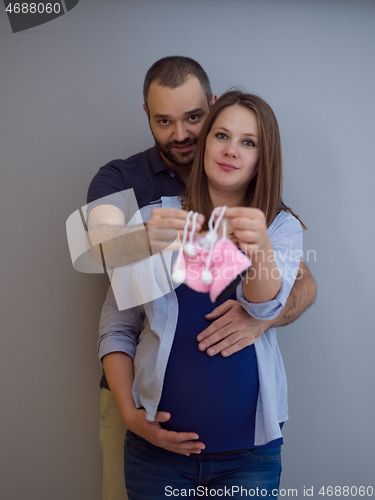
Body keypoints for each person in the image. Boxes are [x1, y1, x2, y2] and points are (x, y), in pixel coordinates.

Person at [87, 56, 316, 499]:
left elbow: (267, 302)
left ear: (262, 157)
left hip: (249, 458)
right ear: (209, 142)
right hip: (154, 455)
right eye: (223, 136)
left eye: (248, 142)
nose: (231, 149)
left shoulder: (279, 226)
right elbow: (115, 315)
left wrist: (259, 250)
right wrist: (132, 416)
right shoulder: (151, 211)